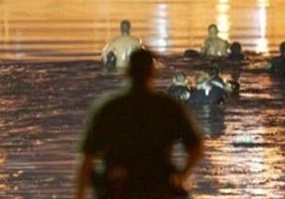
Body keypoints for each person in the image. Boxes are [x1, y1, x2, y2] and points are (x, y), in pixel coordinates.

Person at [76, 49, 204, 199]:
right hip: (158, 189)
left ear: (127, 72)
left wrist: (80, 195)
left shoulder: (109, 108)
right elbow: (196, 148)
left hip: (117, 189)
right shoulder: (168, 107)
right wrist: (180, 178)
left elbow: (87, 162)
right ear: (153, 73)